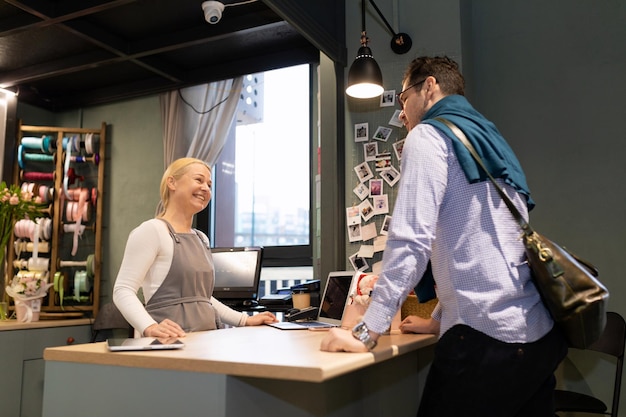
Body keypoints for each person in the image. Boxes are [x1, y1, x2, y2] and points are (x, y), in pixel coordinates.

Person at [320, 56, 567, 417]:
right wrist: (438, 317)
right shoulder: (488, 141)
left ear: (429, 87)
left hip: (485, 344)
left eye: (403, 98)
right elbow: (483, 248)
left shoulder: (429, 134)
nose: (401, 114)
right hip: (535, 339)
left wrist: (366, 331)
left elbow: (410, 239)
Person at [113, 157, 277, 338]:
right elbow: (123, 290)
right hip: (166, 343)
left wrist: (244, 320)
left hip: (205, 340)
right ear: (172, 183)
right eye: (199, 180)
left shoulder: (201, 238)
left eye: (209, 184)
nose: (205, 188)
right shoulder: (151, 231)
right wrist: (149, 326)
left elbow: (203, 299)